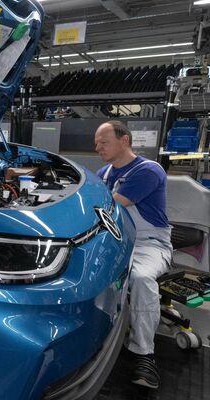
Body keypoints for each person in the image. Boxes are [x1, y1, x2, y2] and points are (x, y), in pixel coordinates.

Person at [94, 121, 172, 389]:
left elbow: (112, 206)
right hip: (116, 239)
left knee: (140, 278)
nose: (98, 147)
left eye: (104, 142)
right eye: (96, 143)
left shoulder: (148, 170)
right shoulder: (103, 173)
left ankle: (144, 354)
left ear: (124, 140)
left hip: (148, 244)